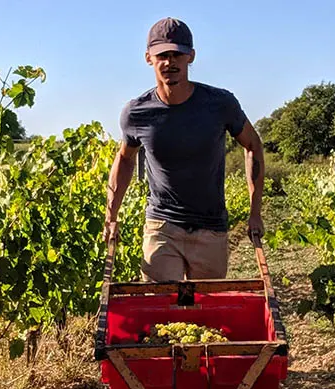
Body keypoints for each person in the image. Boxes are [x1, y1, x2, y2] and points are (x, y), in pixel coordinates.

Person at [103, 17, 266, 282]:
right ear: (148, 58)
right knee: (161, 308)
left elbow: (253, 145)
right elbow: (124, 160)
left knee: (203, 312)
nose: (170, 62)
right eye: (162, 55)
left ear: (191, 56)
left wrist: (255, 212)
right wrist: (111, 216)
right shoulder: (137, 112)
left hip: (211, 228)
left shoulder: (219, 104)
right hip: (162, 226)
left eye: (177, 54)